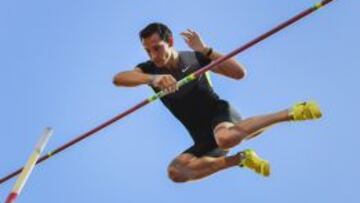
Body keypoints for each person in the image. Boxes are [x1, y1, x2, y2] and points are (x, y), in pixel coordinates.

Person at [113, 22, 322, 183]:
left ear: (170, 42)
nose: (153, 55)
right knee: (176, 172)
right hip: (202, 137)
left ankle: (292, 112)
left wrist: (205, 49)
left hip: (219, 115)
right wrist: (153, 79)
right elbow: (120, 78)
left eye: (157, 48)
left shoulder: (194, 58)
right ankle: (241, 159)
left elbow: (239, 73)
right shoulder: (149, 69)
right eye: (148, 51)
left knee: (225, 137)